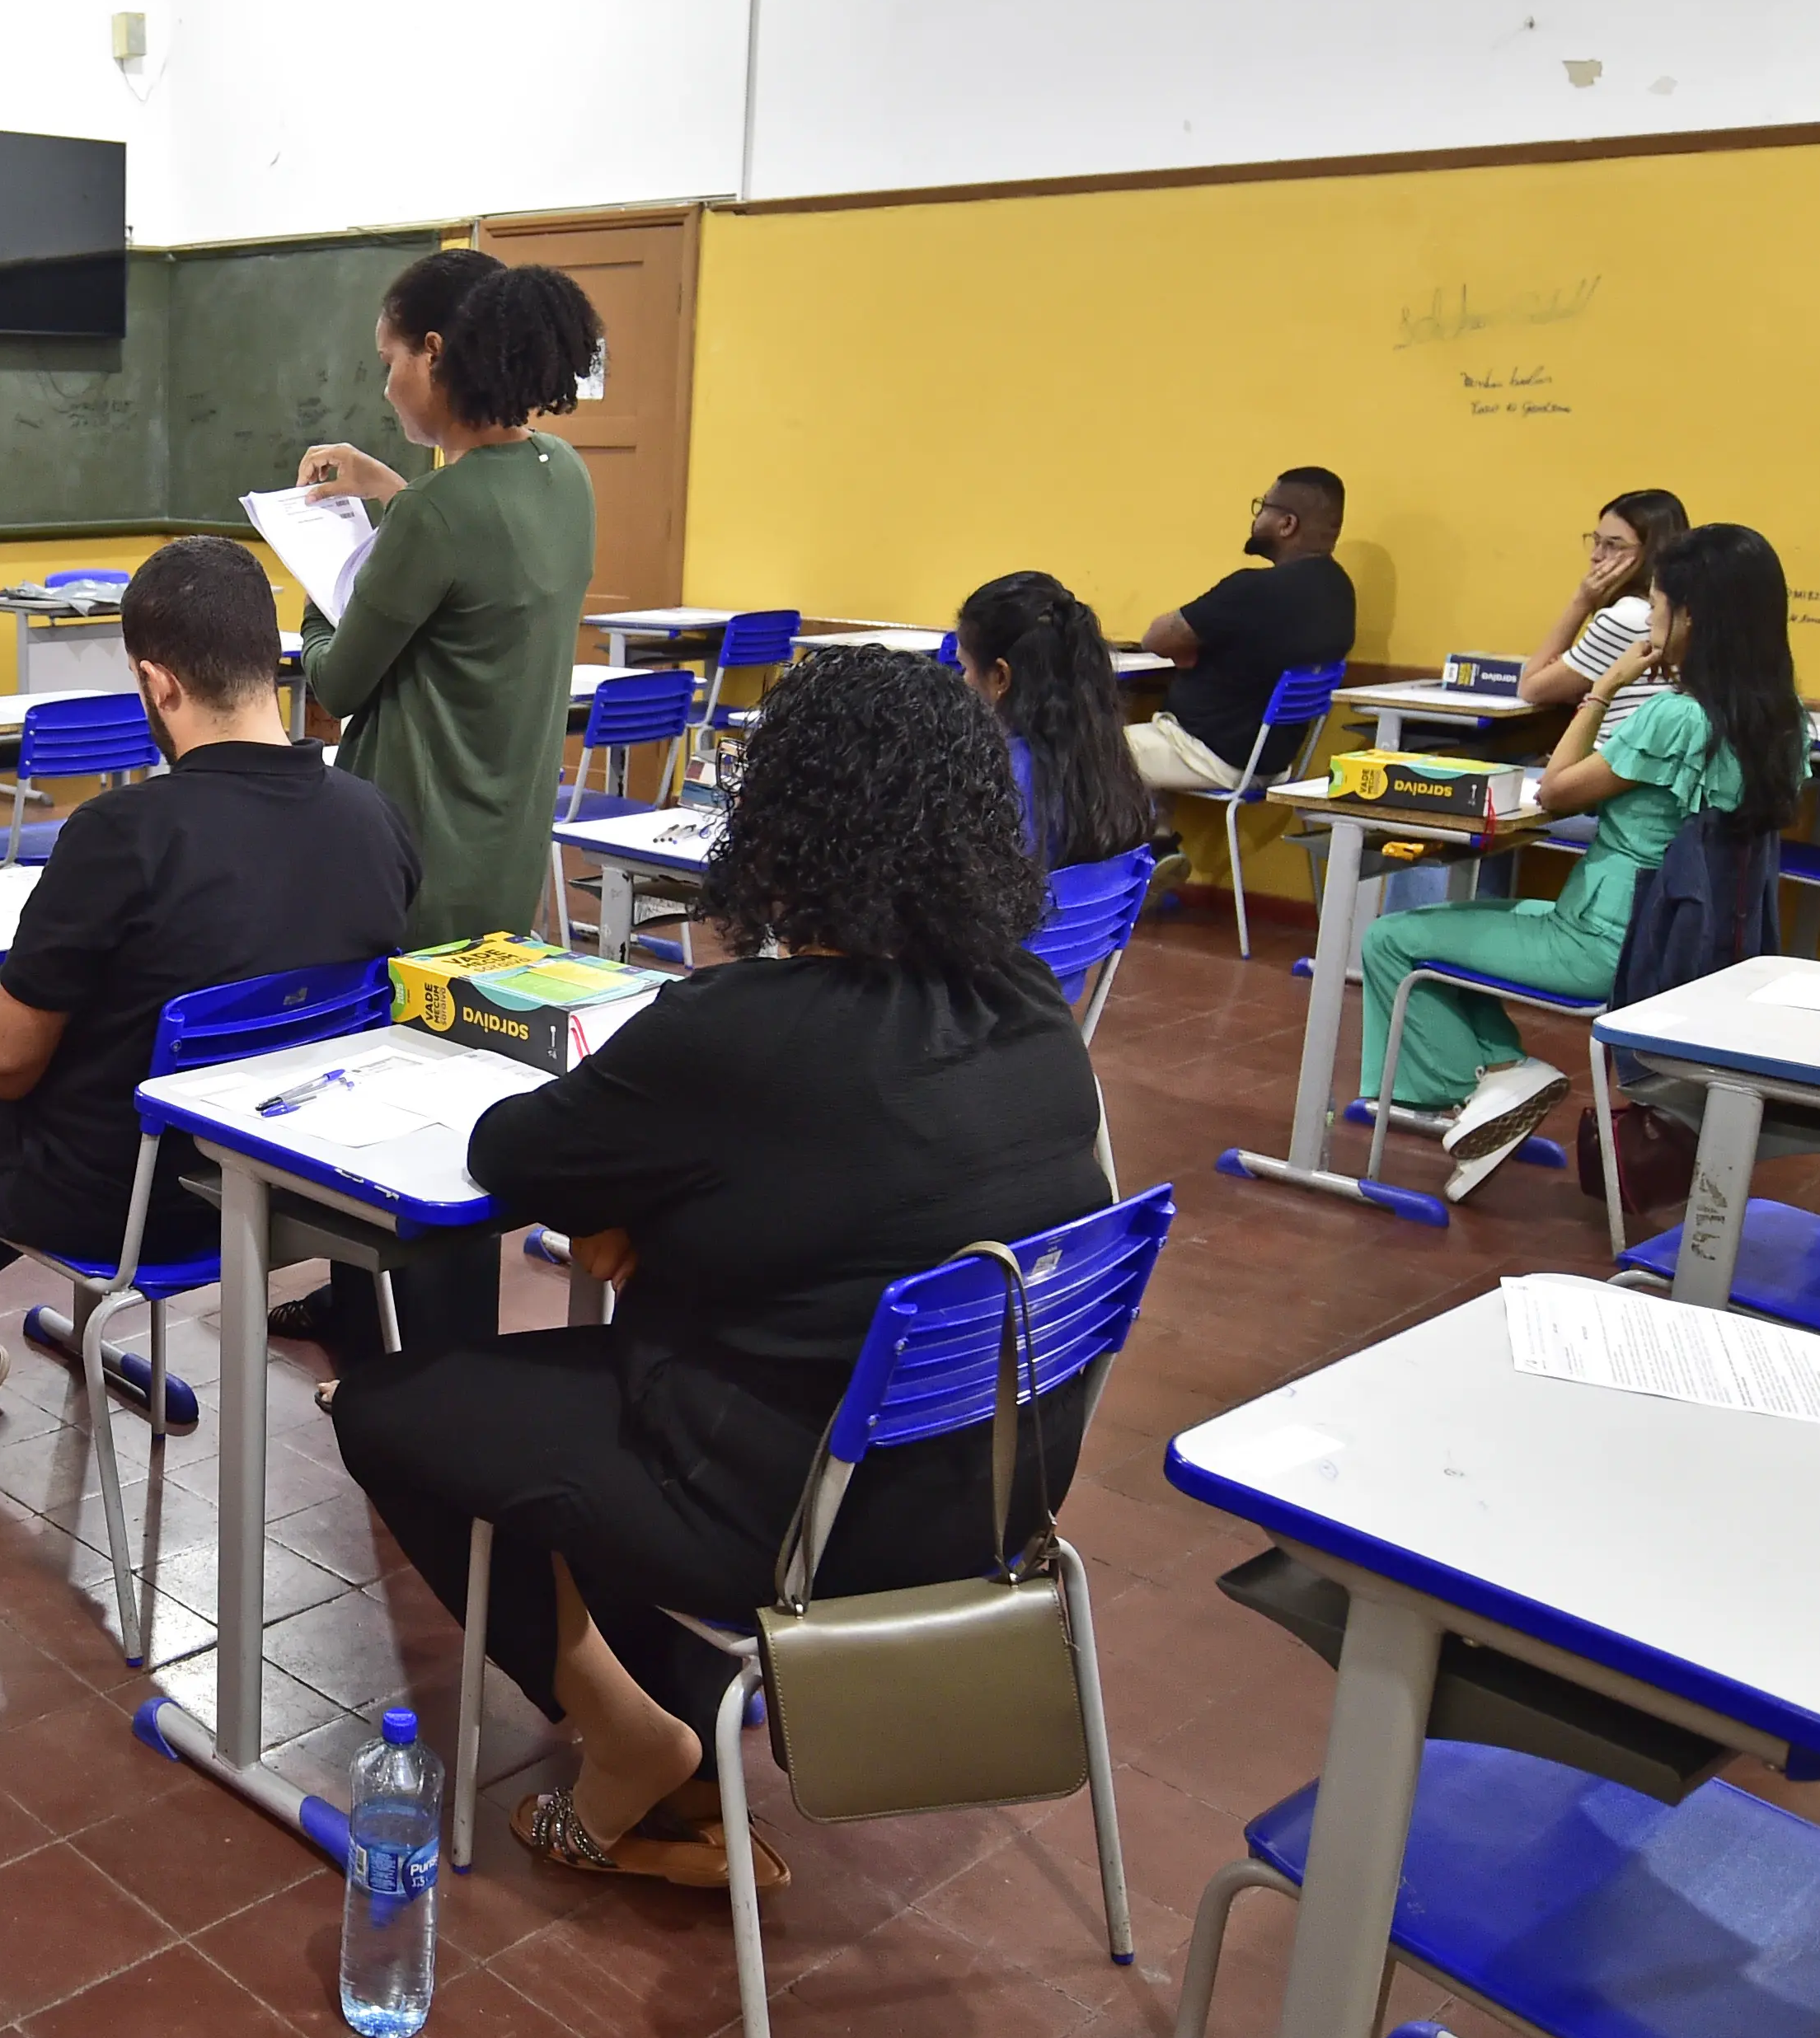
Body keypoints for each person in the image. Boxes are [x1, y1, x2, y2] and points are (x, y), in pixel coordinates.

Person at [329, 645, 1109, 1887]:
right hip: (991, 1494)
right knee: (623, 1367)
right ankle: (668, 1728)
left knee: (387, 1405)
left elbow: (509, 1154)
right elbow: (815, 1198)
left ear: (782, 825)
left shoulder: (737, 1030)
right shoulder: (1025, 999)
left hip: (798, 1524)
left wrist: (645, 1181)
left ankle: (635, 1739)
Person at [0, 536, 418, 1397]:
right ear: (269, 662)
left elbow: (2, 1064)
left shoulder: (123, 832)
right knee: (25, 1140)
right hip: (281, 1181)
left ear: (156, 682)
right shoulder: (373, 817)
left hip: (117, 1197)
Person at [283, 248, 602, 1362]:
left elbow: (335, 682)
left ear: (434, 352)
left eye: (390, 361)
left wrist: (319, 590)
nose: (385, 390)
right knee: (457, 1094)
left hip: (408, 842)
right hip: (506, 840)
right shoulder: (563, 474)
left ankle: (418, 1357)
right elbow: (476, 538)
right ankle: (355, 1303)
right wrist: (391, 490)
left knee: (393, 1107)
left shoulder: (436, 518)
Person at [1359, 520, 1808, 1197]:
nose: (1647, 619)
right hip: (1698, 942)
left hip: (1610, 940)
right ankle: (1505, 1076)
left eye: (1655, 605)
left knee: (1393, 938)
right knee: (1456, 929)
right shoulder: (1786, 721)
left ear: (1688, 617)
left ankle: (1476, 1096)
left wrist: (1606, 684)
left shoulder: (1675, 717)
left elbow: (1555, 789)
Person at [1129, 466, 1358, 796]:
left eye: (1264, 507)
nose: (1257, 517)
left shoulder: (1254, 590)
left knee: (1060, 756)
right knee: (1141, 738)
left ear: (1287, 524)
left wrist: (1188, 651)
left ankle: (1048, 849)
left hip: (1207, 757)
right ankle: (1162, 844)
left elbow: (1155, 639)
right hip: (1272, 763)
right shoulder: (1339, 591)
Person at [955, 571, 1164, 869]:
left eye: (965, 667)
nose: (963, 681)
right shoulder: (1115, 767)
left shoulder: (994, 781)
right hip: (1099, 916)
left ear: (1001, 676)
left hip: (1028, 915)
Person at [1517, 488, 1688, 725]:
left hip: (1611, 753)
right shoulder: (1675, 611)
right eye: (1596, 541)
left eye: (1613, 545)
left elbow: (1530, 689)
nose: (1597, 556)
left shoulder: (1627, 616)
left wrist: (1581, 600)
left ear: (1651, 553)